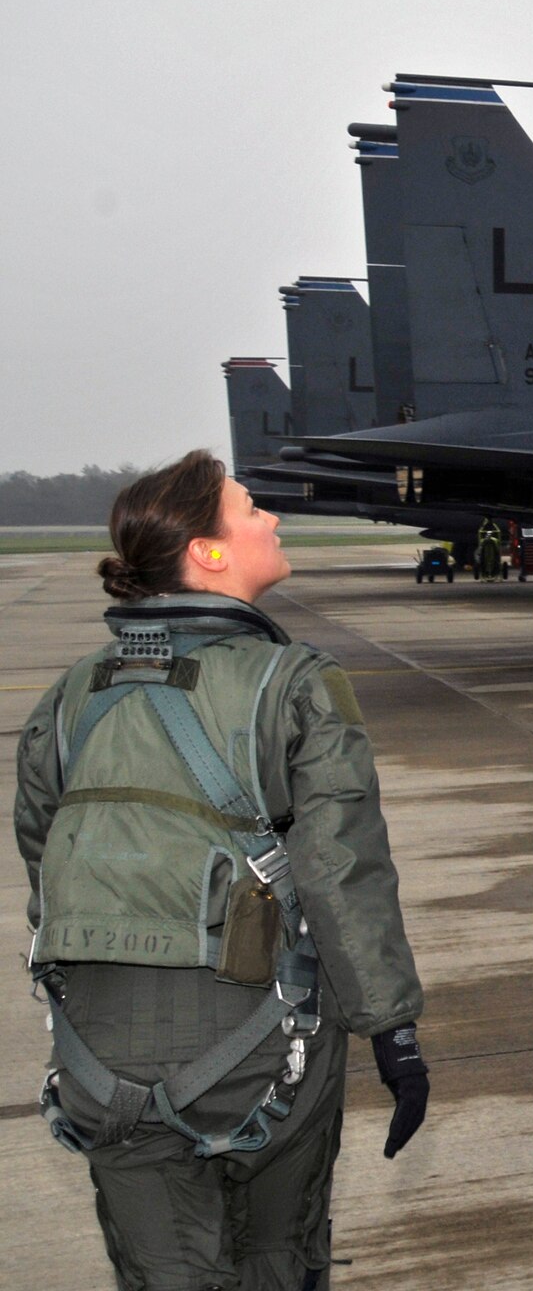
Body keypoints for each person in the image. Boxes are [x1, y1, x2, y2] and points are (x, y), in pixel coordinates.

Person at [13, 451, 428, 1290]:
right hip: (261, 1052)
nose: (271, 518)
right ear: (207, 552)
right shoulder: (299, 686)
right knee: (276, 1259)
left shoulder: (69, 698)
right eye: (249, 509)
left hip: (99, 1057)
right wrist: (395, 1032)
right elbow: (341, 870)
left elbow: (43, 848)